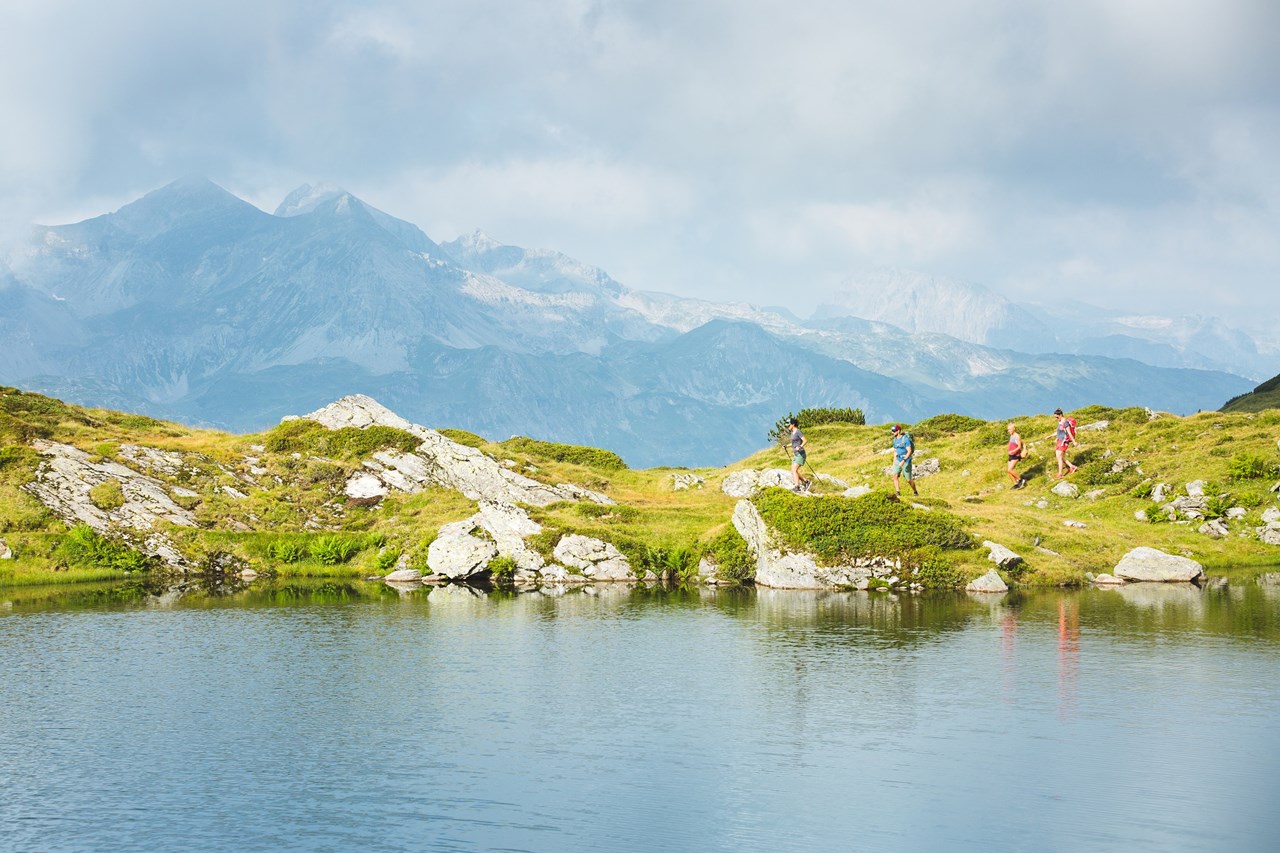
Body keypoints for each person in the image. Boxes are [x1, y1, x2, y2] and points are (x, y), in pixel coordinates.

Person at [890, 424, 918, 497]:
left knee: (908, 480)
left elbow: (909, 451)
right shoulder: (895, 440)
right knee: (895, 475)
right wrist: (894, 462)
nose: (892, 432)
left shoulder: (905, 439)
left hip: (906, 460)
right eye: (892, 431)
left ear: (898, 431)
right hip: (898, 460)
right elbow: (895, 451)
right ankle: (898, 492)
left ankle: (915, 491)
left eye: (894, 431)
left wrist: (904, 460)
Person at [1051, 407, 1078, 479]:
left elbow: (1069, 433)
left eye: (1057, 417)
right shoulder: (1060, 422)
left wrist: (1074, 441)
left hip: (1064, 441)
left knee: (1059, 457)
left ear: (1060, 415)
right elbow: (1060, 432)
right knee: (1060, 457)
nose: (1056, 419)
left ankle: (1060, 474)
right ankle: (1072, 467)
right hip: (1060, 441)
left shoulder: (1065, 422)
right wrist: (1050, 436)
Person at [787, 418, 811, 492]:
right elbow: (794, 443)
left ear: (793, 424)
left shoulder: (798, 432)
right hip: (796, 454)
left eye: (789, 424)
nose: (787, 426)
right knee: (793, 471)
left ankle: (797, 487)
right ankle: (806, 482)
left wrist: (800, 446)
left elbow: (805, 440)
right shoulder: (792, 432)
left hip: (800, 454)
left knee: (794, 470)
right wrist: (786, 446)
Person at [1006, 422, 1027, 488]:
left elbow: (1019, 446)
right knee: (1008, 471)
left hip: (1016, 455)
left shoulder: (1017, 436)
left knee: (1010, 470)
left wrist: (1013, 451)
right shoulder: (1011, 435)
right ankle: (1016, 484)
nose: (1008, 431)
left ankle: (1021, 480)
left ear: (1013, 429)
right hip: (1011, 455)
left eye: (1009, 429)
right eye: (1008, 429)